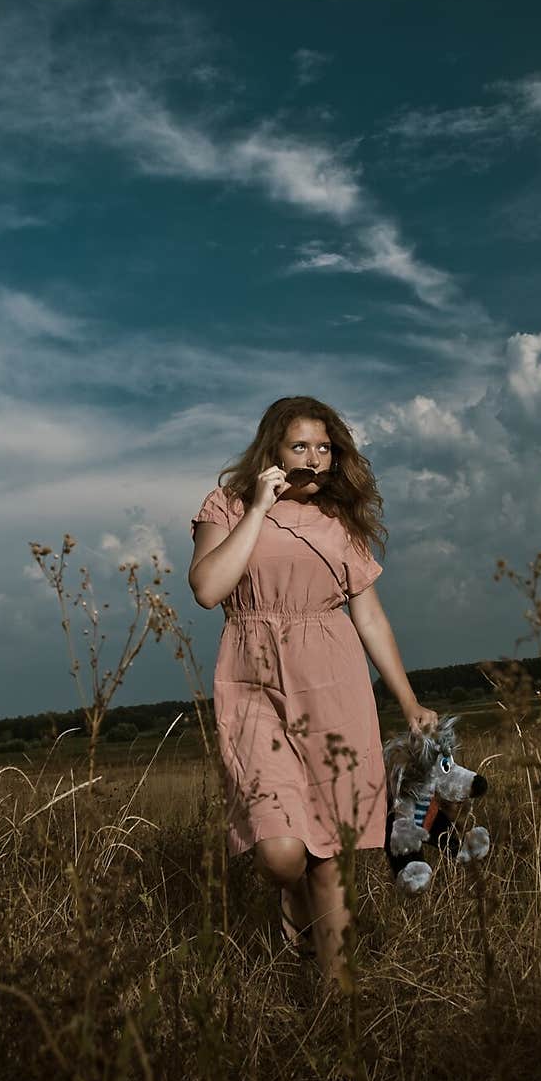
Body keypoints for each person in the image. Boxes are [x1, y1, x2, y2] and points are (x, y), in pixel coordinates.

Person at [188, 395, 438, 985]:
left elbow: (370, 618)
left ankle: (337, 1001)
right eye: (300, 446)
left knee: (330, 853)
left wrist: (408, 700)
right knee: (281, 856)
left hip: (333, 680)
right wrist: (258, 508)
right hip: (251, 682)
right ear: (272, 450)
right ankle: (291, 901)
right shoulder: (224, 505)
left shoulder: (338, 522)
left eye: (324, 448)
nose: (315, 459)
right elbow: (207, 589)